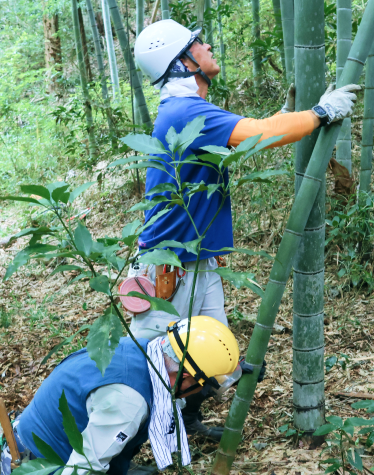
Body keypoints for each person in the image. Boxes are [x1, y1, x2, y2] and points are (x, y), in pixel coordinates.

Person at [127, 20, 360, 438]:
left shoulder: (187, 109)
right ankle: (120, 447)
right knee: (150, 362)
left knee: (212, 354)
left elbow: (253, 128)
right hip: (170, 270)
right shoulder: (185, 111)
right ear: (181, 62)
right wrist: (320, 113)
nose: (208, 45)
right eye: (198, 44)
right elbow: (258, 135)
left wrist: (288, 117)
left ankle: (185, 421)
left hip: (194, 263)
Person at [6, 316, 241, 475]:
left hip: (41, 436)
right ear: (186, 377)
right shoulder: (129, 402)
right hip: (44, 462)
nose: (203, 392)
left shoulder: (143, 347)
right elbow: (83, 467)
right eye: (204, 386)